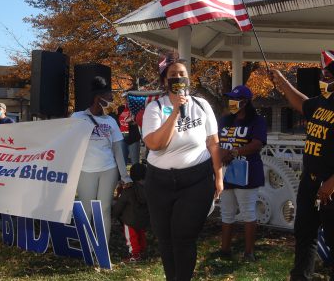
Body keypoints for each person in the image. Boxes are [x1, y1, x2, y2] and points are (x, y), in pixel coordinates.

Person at [142, 57, 223, 281]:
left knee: (184, 236)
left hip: (196, 181)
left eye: (182, 74)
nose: (178, 78)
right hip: (160, 183)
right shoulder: (155, 109)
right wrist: (176, 111)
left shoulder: (202, 105)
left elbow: (213, 143)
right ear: (164, 81)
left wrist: (219, 176)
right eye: (173, 75)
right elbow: (156, 144)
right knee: (165, 238)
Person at [271, 51, 334, 281]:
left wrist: (332, 182)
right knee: (305, 235)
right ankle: (300, 276)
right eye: (323, 75)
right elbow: (302, 103)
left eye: (329, 76)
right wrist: (281, 80)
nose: (324, 80)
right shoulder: (321, 103)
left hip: (330, 185)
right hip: (310, 181)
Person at [71, 76, 132, 241]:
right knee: (87, 209)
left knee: (104, 209)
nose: (112, 99)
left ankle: (102, 248)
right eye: (109, 96)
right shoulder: (77, 117)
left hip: (108, 169)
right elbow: (66, 141)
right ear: (98, 97)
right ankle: (87, 245)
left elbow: (118, 150)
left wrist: (124, 176)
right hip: (85, 170)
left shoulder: (111, 121)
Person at [218, 85, 267, 261]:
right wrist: (219, 152)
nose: (231, 102)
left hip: (247, 171)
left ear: (245, 102)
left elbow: (257, 143)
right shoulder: (224, 120)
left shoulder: (257, 121)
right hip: (225, 171)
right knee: (227, 211)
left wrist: (234, 152)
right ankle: (224, 250)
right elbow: (215, 140)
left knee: (247, 211)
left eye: (235, 99)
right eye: (230, 99)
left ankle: (248, 252)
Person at [113, 163, 149, 263]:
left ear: (132, 175)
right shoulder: (149, 189)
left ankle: (135, 254)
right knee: (141, 234)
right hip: (144, 219)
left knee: (131, 237)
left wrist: (114, 216)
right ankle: (142, 251)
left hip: (130, 220)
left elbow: (119, 205)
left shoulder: (129, 190)